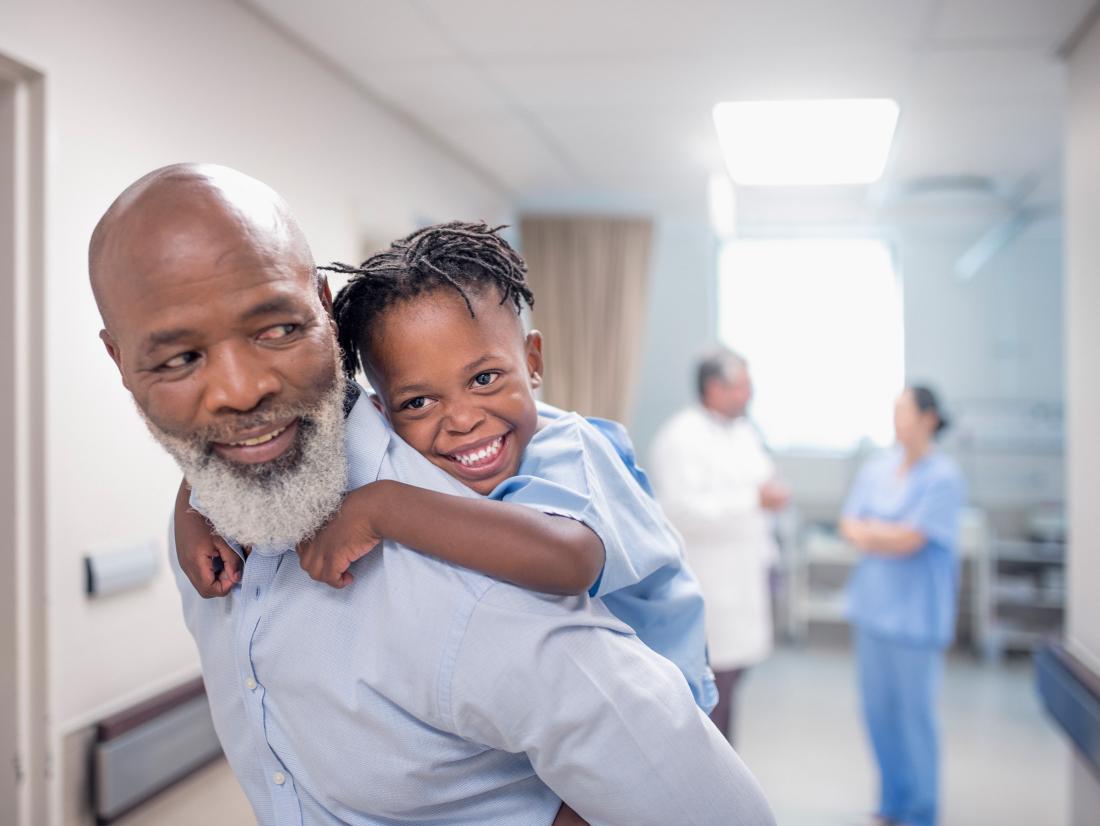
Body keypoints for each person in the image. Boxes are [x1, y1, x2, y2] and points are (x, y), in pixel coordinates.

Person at [89, 163, 775, 825]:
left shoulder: (490, 554)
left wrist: (387, 508)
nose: (240, 390)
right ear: (121, 362)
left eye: (276, 329)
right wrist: (190, 505)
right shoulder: (226, 503)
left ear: (322, 314)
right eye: (180, 358)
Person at [174, 220, 716, 713]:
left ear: (532, 362)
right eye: (418, 402)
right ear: (383, 412)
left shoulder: (571, 450)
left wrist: (381, 510)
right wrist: (196, 505)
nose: (461, 419)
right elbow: (285, 437)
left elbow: (568, 558)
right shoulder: (415, 441)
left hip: (660, 702)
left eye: (484, 379)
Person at [839, 386, 966, 826]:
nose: (898, 420)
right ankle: (892, 803)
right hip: (873, 611)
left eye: (905, 412)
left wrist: (875, 532)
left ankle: (920, 812)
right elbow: (849, 524)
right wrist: (885, 533)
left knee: (915, 719)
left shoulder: (943, 477)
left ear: (930, 418)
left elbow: (913, 539)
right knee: (878, 715)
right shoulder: (878, 468)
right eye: (894, 412)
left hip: (916, 619)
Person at [648, 348, 789, 743]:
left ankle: (725, 781)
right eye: (740, 386)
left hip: (744, 578)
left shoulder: (744, 431)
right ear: (713, 388)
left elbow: (762, 480)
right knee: (709, 696)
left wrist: (769, 496)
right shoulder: (680, 437)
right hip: (710, 582)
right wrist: (754, 502)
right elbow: (680, 511)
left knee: (732, 685)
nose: (748, 394)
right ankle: (708, 787)